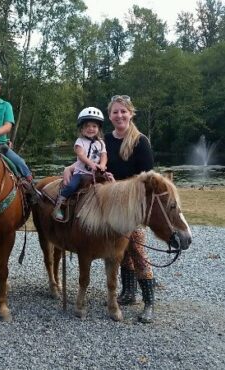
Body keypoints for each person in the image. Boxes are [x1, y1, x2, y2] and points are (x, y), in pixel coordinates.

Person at [63, 95, 155, 323]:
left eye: (123, 111)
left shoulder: (140, 141)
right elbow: (88, 159)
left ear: (131, 113)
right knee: (117, 252)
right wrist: (69, 167)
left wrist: (120, 188)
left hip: (130, 204)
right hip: (108, 202)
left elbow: (147, 178)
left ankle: (149, 301)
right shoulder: (107, 141)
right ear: (110, 115)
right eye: (115, 112)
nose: (119, 115)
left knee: (136, 247)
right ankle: (127, 293)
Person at [52, 107, 107, 221]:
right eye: (87, 126)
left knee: (109, 185)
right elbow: (81, 155)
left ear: (99, 128)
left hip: (96, 173)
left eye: (94, 126)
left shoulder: (101, 143)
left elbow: (104, 155)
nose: (91, 129)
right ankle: (60, 203)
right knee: (71, 186)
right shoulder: (80, 141)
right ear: (82, 128)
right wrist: (91, 164)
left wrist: (102, 165)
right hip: (81, 172)